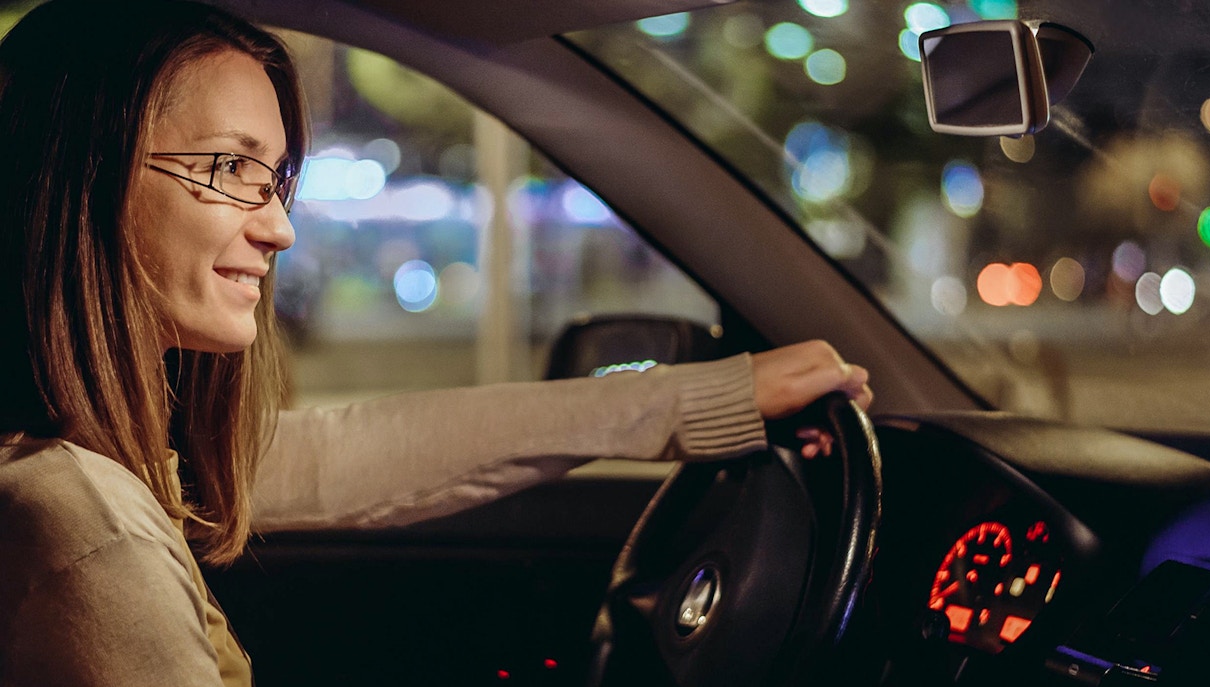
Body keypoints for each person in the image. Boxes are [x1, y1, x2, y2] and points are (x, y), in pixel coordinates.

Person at [0, 1, 872, 685]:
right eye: (231, 169)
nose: (280, 228)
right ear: (81, 174)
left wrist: (705, 400)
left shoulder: (99, 459)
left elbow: (352, 452)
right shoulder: (87, 529)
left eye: (277, 179)